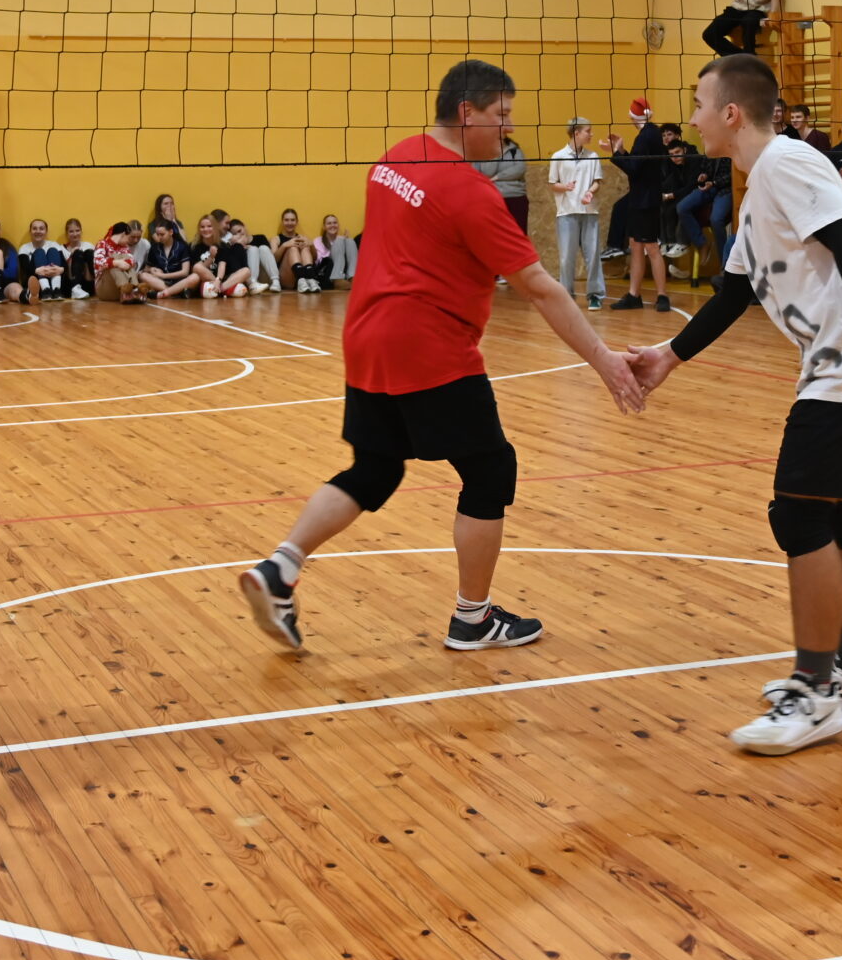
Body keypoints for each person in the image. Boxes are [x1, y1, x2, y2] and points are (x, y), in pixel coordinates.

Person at [238, 61, 647, 655]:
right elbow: (540, 288)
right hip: (427, 346)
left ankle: (281, 566)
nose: (509, 130)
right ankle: (473, 618)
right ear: (466, 112)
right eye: (501, 116)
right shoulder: (470, 194)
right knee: (490, 470)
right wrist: (605, 360)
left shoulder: (392, 160)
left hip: (366, 337)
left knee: (375, 469)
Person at [628, 53, 842, 753]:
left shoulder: (787, 162)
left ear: (731, 113)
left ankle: (814, 692)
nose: (692, 117)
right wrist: (670, 356)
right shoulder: (760, 181)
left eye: (699, 104)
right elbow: (734, 293)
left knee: (798, 513)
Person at [604, 102, 671, 312]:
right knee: (635, 245)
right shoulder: (652, 133)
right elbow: (639, 165)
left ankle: (662, 296)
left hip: (645, 200)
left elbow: (633, 169)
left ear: (633, 117)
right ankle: (634, 295)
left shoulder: (645, 136)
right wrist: (622, 151)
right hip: (641, 197)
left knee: (651, 247)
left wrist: (616, 154)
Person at [547, 117, 606, 310]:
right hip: (566, 212)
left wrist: (590, 191)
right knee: (566, 258)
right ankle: (566, 296)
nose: (591, 134)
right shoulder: (558, 156)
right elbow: (553, 184)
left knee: (593, 256)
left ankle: (595, 295)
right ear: (576, 133)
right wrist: (565, 187)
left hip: (589, 211)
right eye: (588, 131)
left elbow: (597, 181)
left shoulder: (593, 156)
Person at [674, 143, 733, 277]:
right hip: (708, 187)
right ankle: (702, 243)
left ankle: (725, 266)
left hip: (726, 190)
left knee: (716, 219)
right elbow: (706, 167)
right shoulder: (710, 145)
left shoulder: (731, 146)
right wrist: (704, 175)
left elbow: (732, 174)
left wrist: (714, 183)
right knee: (682, 207)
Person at [474, 133, 529, 243]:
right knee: (494, 237)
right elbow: (486, 173)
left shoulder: (515, 151)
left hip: (515, 196)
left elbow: (519, 169)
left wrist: (497, 177)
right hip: (491, 198)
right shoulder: (481, 152)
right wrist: (496, 153)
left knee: (518, 236)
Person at [140, 221, 204, 298]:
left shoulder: (182, 247)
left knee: (195, 277)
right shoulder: (154, 247)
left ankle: (166, 292)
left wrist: (163, 275)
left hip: (180, 281)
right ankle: (176, 293)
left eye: (162, 234)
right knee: (143, 276)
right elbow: (146, 269)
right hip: (161, 282)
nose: (159, 237)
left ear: (171, 232)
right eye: (157, 234)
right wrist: (151, 269)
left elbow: (185, 272)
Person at [201, 220, 254, 299]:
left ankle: (219, 290)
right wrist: (211, 257)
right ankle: (220, 289)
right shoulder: (196, 246)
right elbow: (198, 268)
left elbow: (222, 264)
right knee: (198, 269)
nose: (206, 229)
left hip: (222, 278)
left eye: (209, 226)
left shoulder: (221, 245)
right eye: (202, 227)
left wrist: (218, 280)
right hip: (209, 278)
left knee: (246, 271)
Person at [272, 209, 322, 290]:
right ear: (282, 222)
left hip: (305, 280)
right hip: (286, 278)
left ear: (297, 222)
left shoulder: (302, 237)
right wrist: (284, 245)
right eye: (286, 220)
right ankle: (301, 279)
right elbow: (273, 261)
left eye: (292, 220)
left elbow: (315, 258)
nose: (289, 223)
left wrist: (312, 245)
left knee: (305, 247)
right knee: (293, 248)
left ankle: (311, 279)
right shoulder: (276, 239)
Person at [95, 221, 144, 303]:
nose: (129, 241)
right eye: (128, 237)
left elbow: (132, 260)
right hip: (104, 288)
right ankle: (127, 290)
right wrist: (116, 263)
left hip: (119, 291)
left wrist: (125, 263)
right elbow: (98, 263)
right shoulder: (102, 243)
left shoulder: (124, 247)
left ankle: (133, 289)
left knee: (125, 259)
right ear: (123, 235)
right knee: (114, 260)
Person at [308, 214, 357, 289]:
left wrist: (344, 242)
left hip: (344, 269)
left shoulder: (342, 240)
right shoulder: (318, 240)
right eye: (329, 223)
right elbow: (320, 261)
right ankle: (337, 278)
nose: (332, 225)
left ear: (338, 225)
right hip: (328, 271)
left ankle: (352, 277)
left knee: (350, 241)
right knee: (339, 241)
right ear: (324, 227)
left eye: (335, 223)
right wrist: (340, 244)